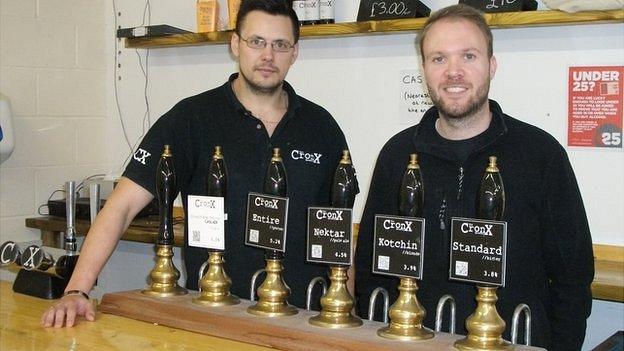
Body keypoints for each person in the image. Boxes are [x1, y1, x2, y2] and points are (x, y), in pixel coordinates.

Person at [42, 0, 354, 328]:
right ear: (235, 44)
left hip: (305, 321)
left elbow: (338, 232)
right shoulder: (192, 119)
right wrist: (77, 289)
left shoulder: (322, 128)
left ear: (294, 53)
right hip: (213, 316)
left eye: (280, 45)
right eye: (256, 41)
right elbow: (121, 207)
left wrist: (348, 314)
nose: (268, 55)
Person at [354, 4, 594, 351]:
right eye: (439, 59)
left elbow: (573, 276)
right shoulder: (396, 155)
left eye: (468, 56)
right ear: (424, 69)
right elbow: (371, 268)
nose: (454, 72)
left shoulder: (541, 154)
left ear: (491, 65)